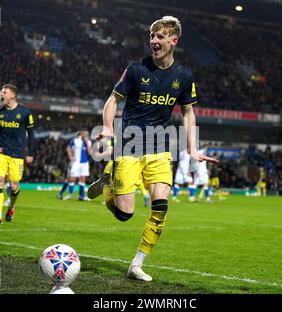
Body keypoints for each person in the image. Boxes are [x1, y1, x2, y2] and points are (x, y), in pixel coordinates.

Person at [87, 16, 217, 282]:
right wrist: (109, 127)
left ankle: (136, 265)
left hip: (160, 148)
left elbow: (188, 114)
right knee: (124, 214)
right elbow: (113, 100)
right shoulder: (136, 69)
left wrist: (193, 149)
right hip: (130, 145)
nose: (153, 41)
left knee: (160, 209)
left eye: (159, 37)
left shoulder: (183, 76)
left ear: (173, 40)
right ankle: (109, 184)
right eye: (151, 36)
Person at [0, 84, 35, 224]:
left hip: (17, 154)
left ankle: (11, 207)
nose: (1, 94)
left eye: (4, 92)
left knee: (14, 185)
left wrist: (30, 153)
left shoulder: (25, 112)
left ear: (12, 96)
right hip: (1, 153)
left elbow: (31, 134)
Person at [58, 130, 92, 201]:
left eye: (87, 134)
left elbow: (89, 153)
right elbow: (68, 148)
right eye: (84, 134)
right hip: (76, 163)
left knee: (82, 179)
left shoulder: (88, 142)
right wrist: (70, 157)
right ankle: (70, 195)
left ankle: (81, 196)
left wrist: (86, 142)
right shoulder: (75, 140)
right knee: (71, 179)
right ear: (81, 134)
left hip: (85, 163)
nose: (86, 135)